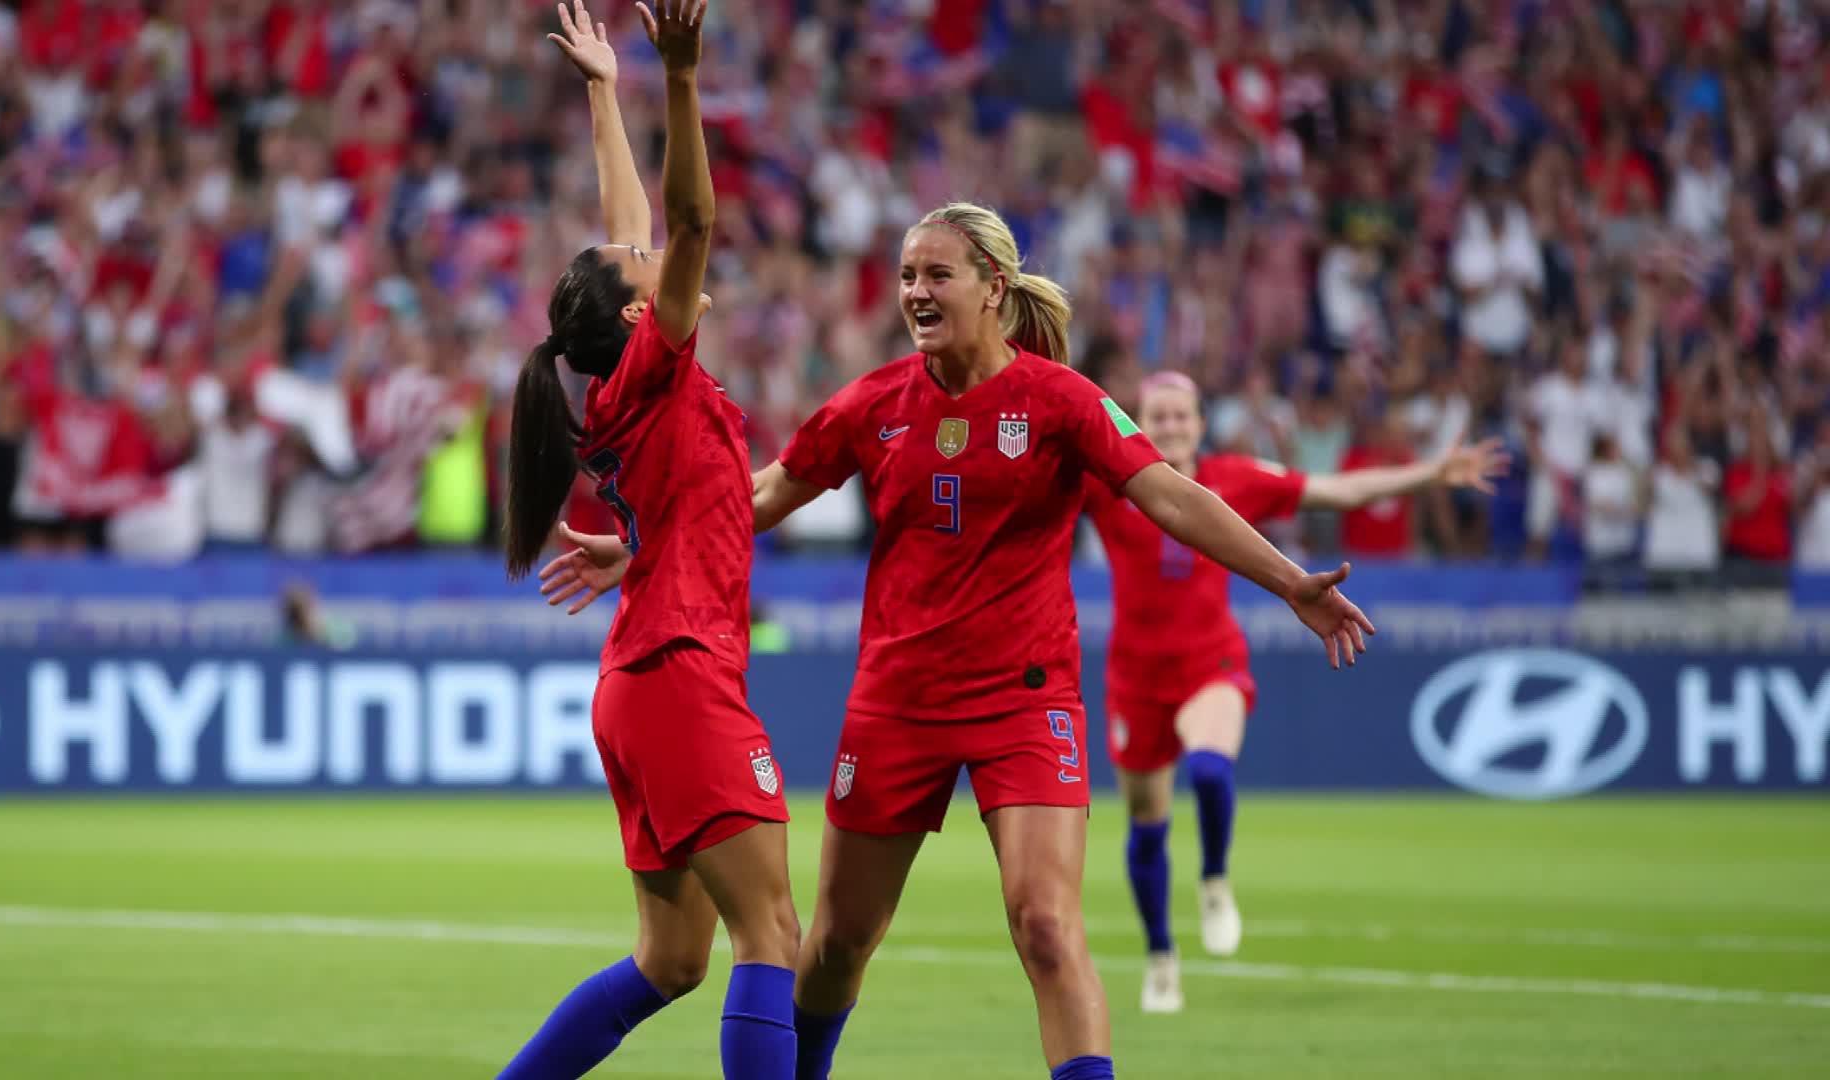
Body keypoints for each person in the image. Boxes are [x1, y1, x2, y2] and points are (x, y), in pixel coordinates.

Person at [542, 202, 1376, 1080]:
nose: (915, 292)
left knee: (1047, 927)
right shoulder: (875, 403)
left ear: (995, 288)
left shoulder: (1059, 400)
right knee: (832, 948)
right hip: (896, 703)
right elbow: (772, 489)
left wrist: (1290, 582)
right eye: (907, 276)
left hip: (1025, 698)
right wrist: (645, 543)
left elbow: (1168, 494)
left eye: (937, 275)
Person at [496, 4, 801, 1078]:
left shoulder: (626, 373)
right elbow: (690, 220)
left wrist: (599, 89)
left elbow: (634, 223)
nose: (655, 255)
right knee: (774, 938)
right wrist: (680, 78)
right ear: (639, 316)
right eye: (644, 268)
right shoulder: (657, 361)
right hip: (679, 673)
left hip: (638, 678)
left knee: (673, 962)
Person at [1081, 371, 1505, 1014]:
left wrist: (1427, 475)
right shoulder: (1111, 481)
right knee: (1147, 828)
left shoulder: (1234, 479)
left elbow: (1335, 489)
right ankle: (1161, 956)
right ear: (1139, 422)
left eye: (1180, 417)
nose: (1168, 428)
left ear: (1200, 423)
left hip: (1208, 660)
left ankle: (1215, 877)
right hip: (1133, 678)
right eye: (1156, 417)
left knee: (1210, 769)